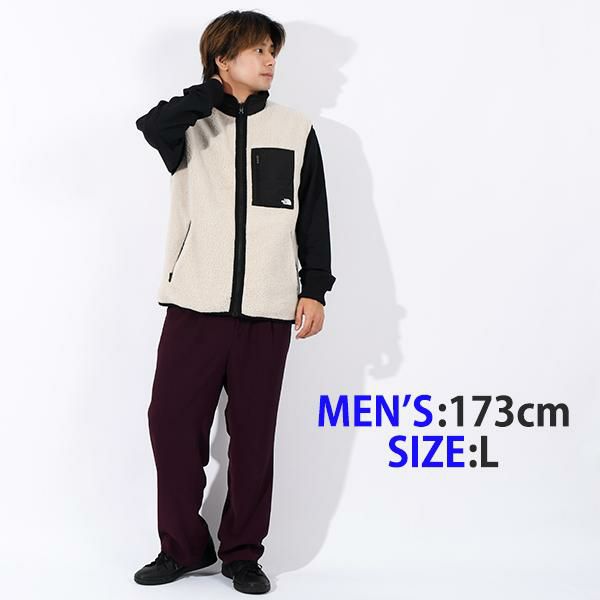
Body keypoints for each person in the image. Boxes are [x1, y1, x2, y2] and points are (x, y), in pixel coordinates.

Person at [132, 9, 335, 595]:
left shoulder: (295, 128)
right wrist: (212, 93)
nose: (270, 61)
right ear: (224, 59)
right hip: (194, 304)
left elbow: (313, 214)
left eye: (273, 51)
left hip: (267, 309)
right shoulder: (188, 127)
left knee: (253, 437)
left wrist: (314, 288)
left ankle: (243, 554)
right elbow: (150, 124)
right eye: (258, 51)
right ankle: (183, 548)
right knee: (171, 426)